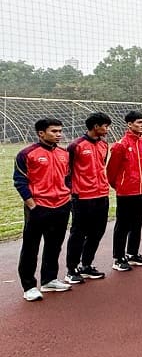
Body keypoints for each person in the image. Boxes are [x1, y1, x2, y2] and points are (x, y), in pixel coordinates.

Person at [14, 118, 73, 301]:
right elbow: (20, 181)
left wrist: (67, 197)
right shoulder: (27, 154)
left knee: (54, 245)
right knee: (31, 247)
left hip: (61, 206)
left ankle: (49, 279)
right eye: (54, 131)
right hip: (38, 207)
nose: (58, 134)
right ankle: (29, 286)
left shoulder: (64, 153)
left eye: (60, 131)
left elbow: (68, 177)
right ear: (41, 133)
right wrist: (32, 204)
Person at [64, 112, 112, 284]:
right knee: (78, 233)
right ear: (95, 126)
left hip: (102, 195)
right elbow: (67, 170)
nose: (107, 129)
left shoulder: (104, 145)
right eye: (105, 126)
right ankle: (71, 269)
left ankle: (87, 265)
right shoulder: (76, 145)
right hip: (82, 197)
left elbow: (101, 166)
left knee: (97, 232)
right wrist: (72, 190)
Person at [107, 110, 142, 271]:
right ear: (129, 124)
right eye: (139, 122)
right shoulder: (121, 145)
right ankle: (118, 257)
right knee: (123, 225)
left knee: (137, 223)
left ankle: (133, 253)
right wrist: (120, 185)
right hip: (126, 192)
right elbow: (111, 171)